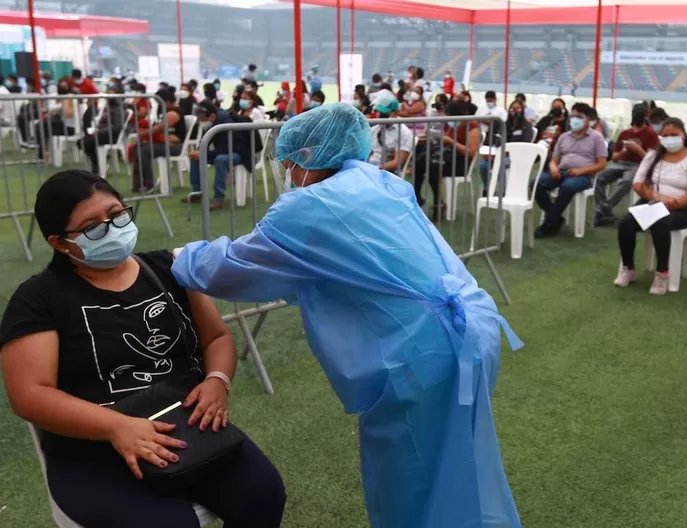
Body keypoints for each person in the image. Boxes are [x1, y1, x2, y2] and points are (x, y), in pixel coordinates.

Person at [170, 103, 522, 528]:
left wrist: (179, 259)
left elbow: (232, 268)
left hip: (419, 354)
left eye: (285, 161)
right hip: (470, 329)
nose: (283, 170)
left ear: (304, 157)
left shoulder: (307, 209)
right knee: (462, 466)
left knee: (411, 483)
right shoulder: (378, 180)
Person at [0, 170, 285, 527]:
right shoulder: (38, 300)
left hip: (187, 429)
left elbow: (217, 338)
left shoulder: (170, 268)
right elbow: (29, 394)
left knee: (263, 495)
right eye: (93, 226)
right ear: (60, 243)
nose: (112, 228)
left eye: (117, 214)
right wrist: (116, 427)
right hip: (93, 450)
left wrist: (217, 380)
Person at [614, 117, 687, 295]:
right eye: (665, 135)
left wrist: (674, 203)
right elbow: (638, 184)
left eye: (674, 135)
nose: (669, 138)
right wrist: (658, 197)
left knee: (660, 223)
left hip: (679, 209)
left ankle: (662, 273)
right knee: (626, 223)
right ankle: (628, 268)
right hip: (652, 203)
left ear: (684, 136)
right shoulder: (652, 156)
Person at [532, 104, 607, 238]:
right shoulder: (564, 137)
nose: (574, 120)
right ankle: (557, 218)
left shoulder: (597, 138)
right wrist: (553, 167)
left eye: (579, 117)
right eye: (573, 116)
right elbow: (554, 159)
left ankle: (548, 225)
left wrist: (581, 171)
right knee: (536, 184)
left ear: (588, 119)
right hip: (562, 171)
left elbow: (602, 164)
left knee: (566, 187)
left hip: (582, 175)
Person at [412, 100, 481, 221]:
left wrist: (450, 142)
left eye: (448, 115)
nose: (446, 117)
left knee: (433, 165)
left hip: (461, 163)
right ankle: (417, 197)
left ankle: (438, 203)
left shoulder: (472, 127)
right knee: (421, 161)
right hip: (446, 158)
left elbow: (471, 152)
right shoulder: (450, 125)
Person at [184, 101, 258, 210]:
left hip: (240, 154)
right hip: (225, 151)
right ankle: (197, 193)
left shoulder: (226, 123)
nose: (200, 121)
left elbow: (226, 149)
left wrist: (203, 153)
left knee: (220, 159)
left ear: (212, 116)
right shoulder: (213, 121)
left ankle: (219, 198)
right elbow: (205, 141)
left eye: (201, 119)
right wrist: (199, 152)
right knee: (196, 158)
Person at [593, 108, 659, 227]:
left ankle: (605, 208)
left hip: (638, 165)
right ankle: (604, 209)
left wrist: (636, 149)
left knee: (627, 181)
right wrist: (624, 152)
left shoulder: (651, 134)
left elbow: (649, 158)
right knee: (600, 177)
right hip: (621, 163)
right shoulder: (625, 133)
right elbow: (614, 157)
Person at [132, 87, 187, 193]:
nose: (159, 105)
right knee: (137, 147)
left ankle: (150, 182)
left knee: (144, 150)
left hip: (175, 145)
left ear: (167, 101)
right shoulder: (167, 112)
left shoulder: (174, 113)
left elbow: (158, 129)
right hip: (166, 142)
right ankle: (140, 183)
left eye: (160, 102)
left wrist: (143, 133)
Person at [479, 99, 534, 192]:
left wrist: (506, 153)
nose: (514, 111)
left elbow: (525, 144)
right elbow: (495, 140)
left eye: (518, 108)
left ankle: (504, 192)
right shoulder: (503, 125)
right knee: (483, 164)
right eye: (512, 108)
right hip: (499, 154)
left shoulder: (526, 126)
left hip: (516, 157)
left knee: (502, 163)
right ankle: (486, 188)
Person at [79, 83, 126, 176]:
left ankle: (99, 165)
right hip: (102, 132)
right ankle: (98, 163)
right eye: (107, 94)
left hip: (112, 134)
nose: (109, 96)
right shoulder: (106, 107)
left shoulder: (119, 108)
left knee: (87, 142)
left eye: (111, 94)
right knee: (81, 142)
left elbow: (118, 126)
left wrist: (101, 131)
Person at [368, 92, 414, 175]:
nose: (380, 115)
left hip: (387, 174)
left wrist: (376, 168)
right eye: (379, 111)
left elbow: (397, 162)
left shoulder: (403, 133)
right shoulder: (374, 129)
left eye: (384, 112)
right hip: (370, 169)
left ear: (395, 113)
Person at [34, 77, 79, 160]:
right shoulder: (61, 98)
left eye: (64, 87)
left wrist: (62, 105)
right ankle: (43, 152)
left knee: (41, 126)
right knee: (41, 125)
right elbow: (52, 110)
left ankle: (43, 153)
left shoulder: (70, 97)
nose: (62, 89)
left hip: (69, 127)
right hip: (63, 124)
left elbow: (68, 114)